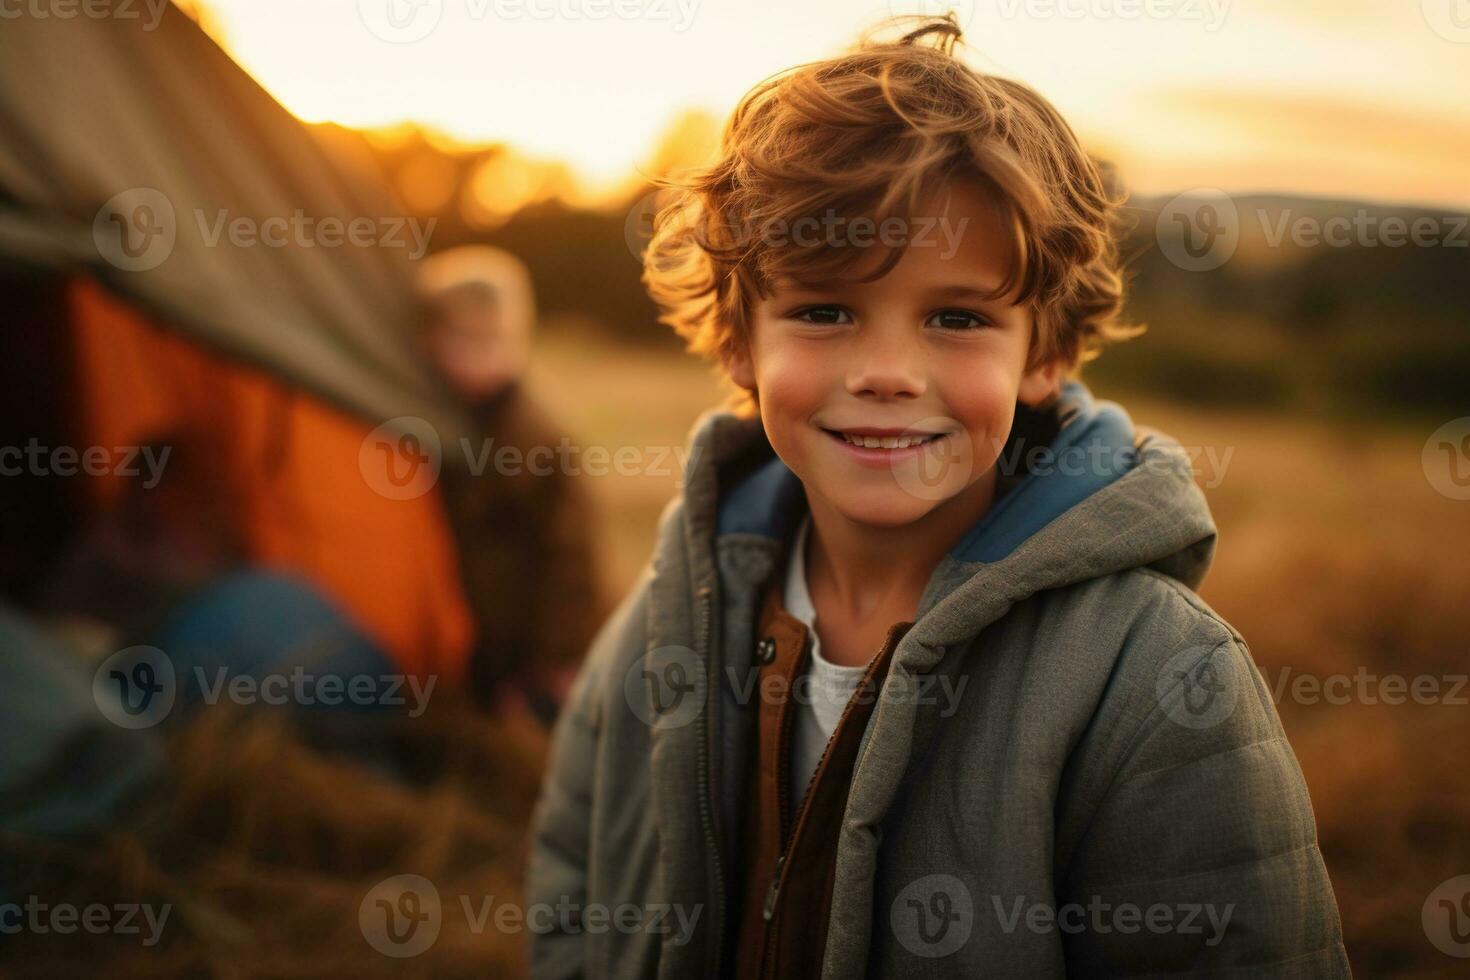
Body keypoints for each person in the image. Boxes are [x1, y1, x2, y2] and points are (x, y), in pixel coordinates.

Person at [526, 15, 1349, 979]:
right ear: (742, 342)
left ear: (1041, 354)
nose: (887, 372)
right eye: (825, 310)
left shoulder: (1154, 676)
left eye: (956, 317)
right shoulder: (678, 612)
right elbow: (573, 881)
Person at [417, 246, 606, 723]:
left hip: (532, 645)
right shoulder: (438, 422)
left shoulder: (536, 439)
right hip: (471, 634)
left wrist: (556, 660)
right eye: (460, 339)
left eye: (490, 339)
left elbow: (570, 557)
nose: (476, 356)